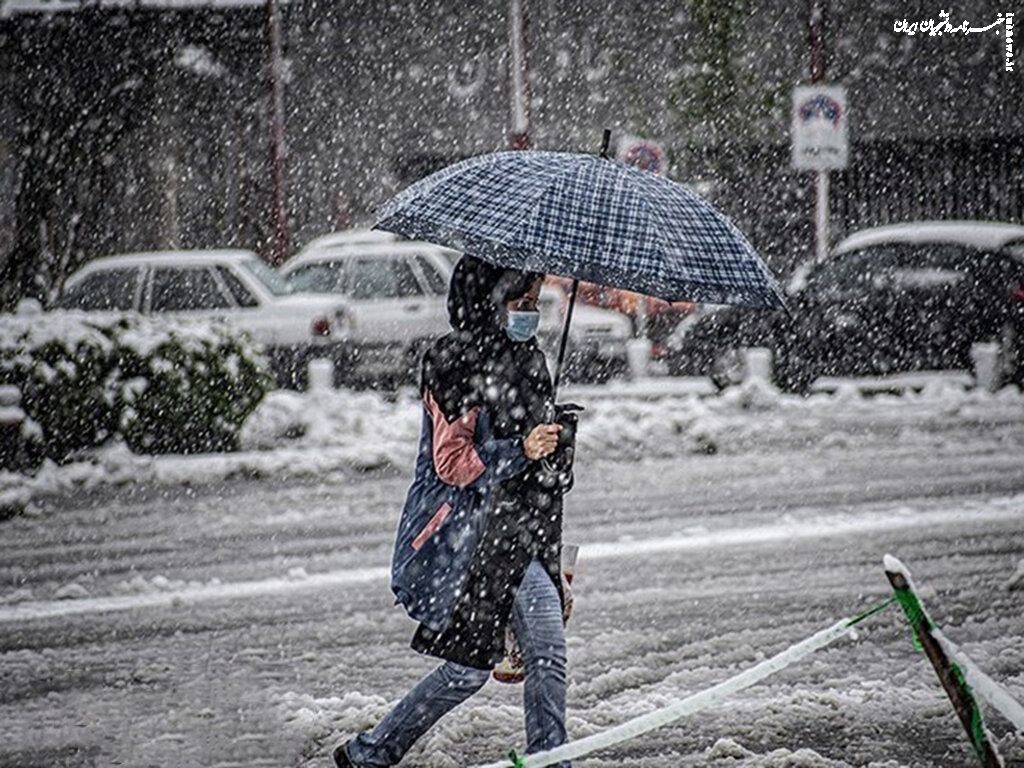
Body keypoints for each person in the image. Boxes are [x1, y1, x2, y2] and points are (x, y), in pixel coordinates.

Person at [333, 255, 577, 768]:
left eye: (534, 303)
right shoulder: (454, 363)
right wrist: (520, 450)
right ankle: (371, 753)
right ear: (487, 302)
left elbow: (540, 476)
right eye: (520, 302)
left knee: (547, 653)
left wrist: (556, 448)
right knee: (466, 671)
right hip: (471, 540)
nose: (528, 314)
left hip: (521, 532)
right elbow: (452, 464)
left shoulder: (530, 359)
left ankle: (550, 760)